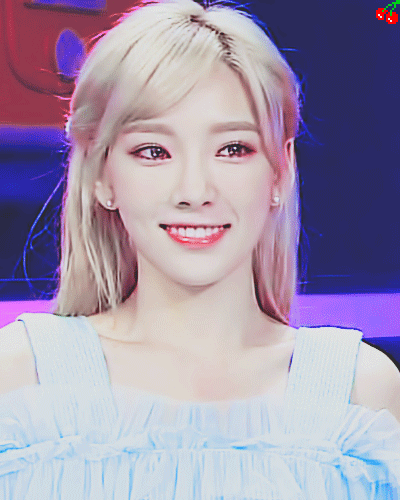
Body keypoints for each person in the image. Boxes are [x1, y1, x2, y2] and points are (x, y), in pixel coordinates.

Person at [0, 0, 399, 498]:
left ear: (280, 171)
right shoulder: (19, 377)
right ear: (102, 175)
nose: (194, 190)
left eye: (233, 149)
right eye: (154, 151)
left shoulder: (360, 393)